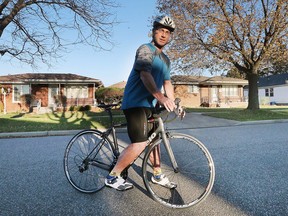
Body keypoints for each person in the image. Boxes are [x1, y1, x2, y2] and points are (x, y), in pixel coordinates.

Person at [105, 15, 177, 191]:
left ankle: (157, 174)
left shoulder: (166, 60)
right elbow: (145, 74)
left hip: (149, 105)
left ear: (170, 36)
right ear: (153, 32)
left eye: (167, 32)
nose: (163, 35)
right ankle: (112, 177)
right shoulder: (145, 49)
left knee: (155, 140)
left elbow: (167, 83)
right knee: (140, 143)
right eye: (160, 30)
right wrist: (161, 97)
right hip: (135, 103)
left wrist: (174, 103)